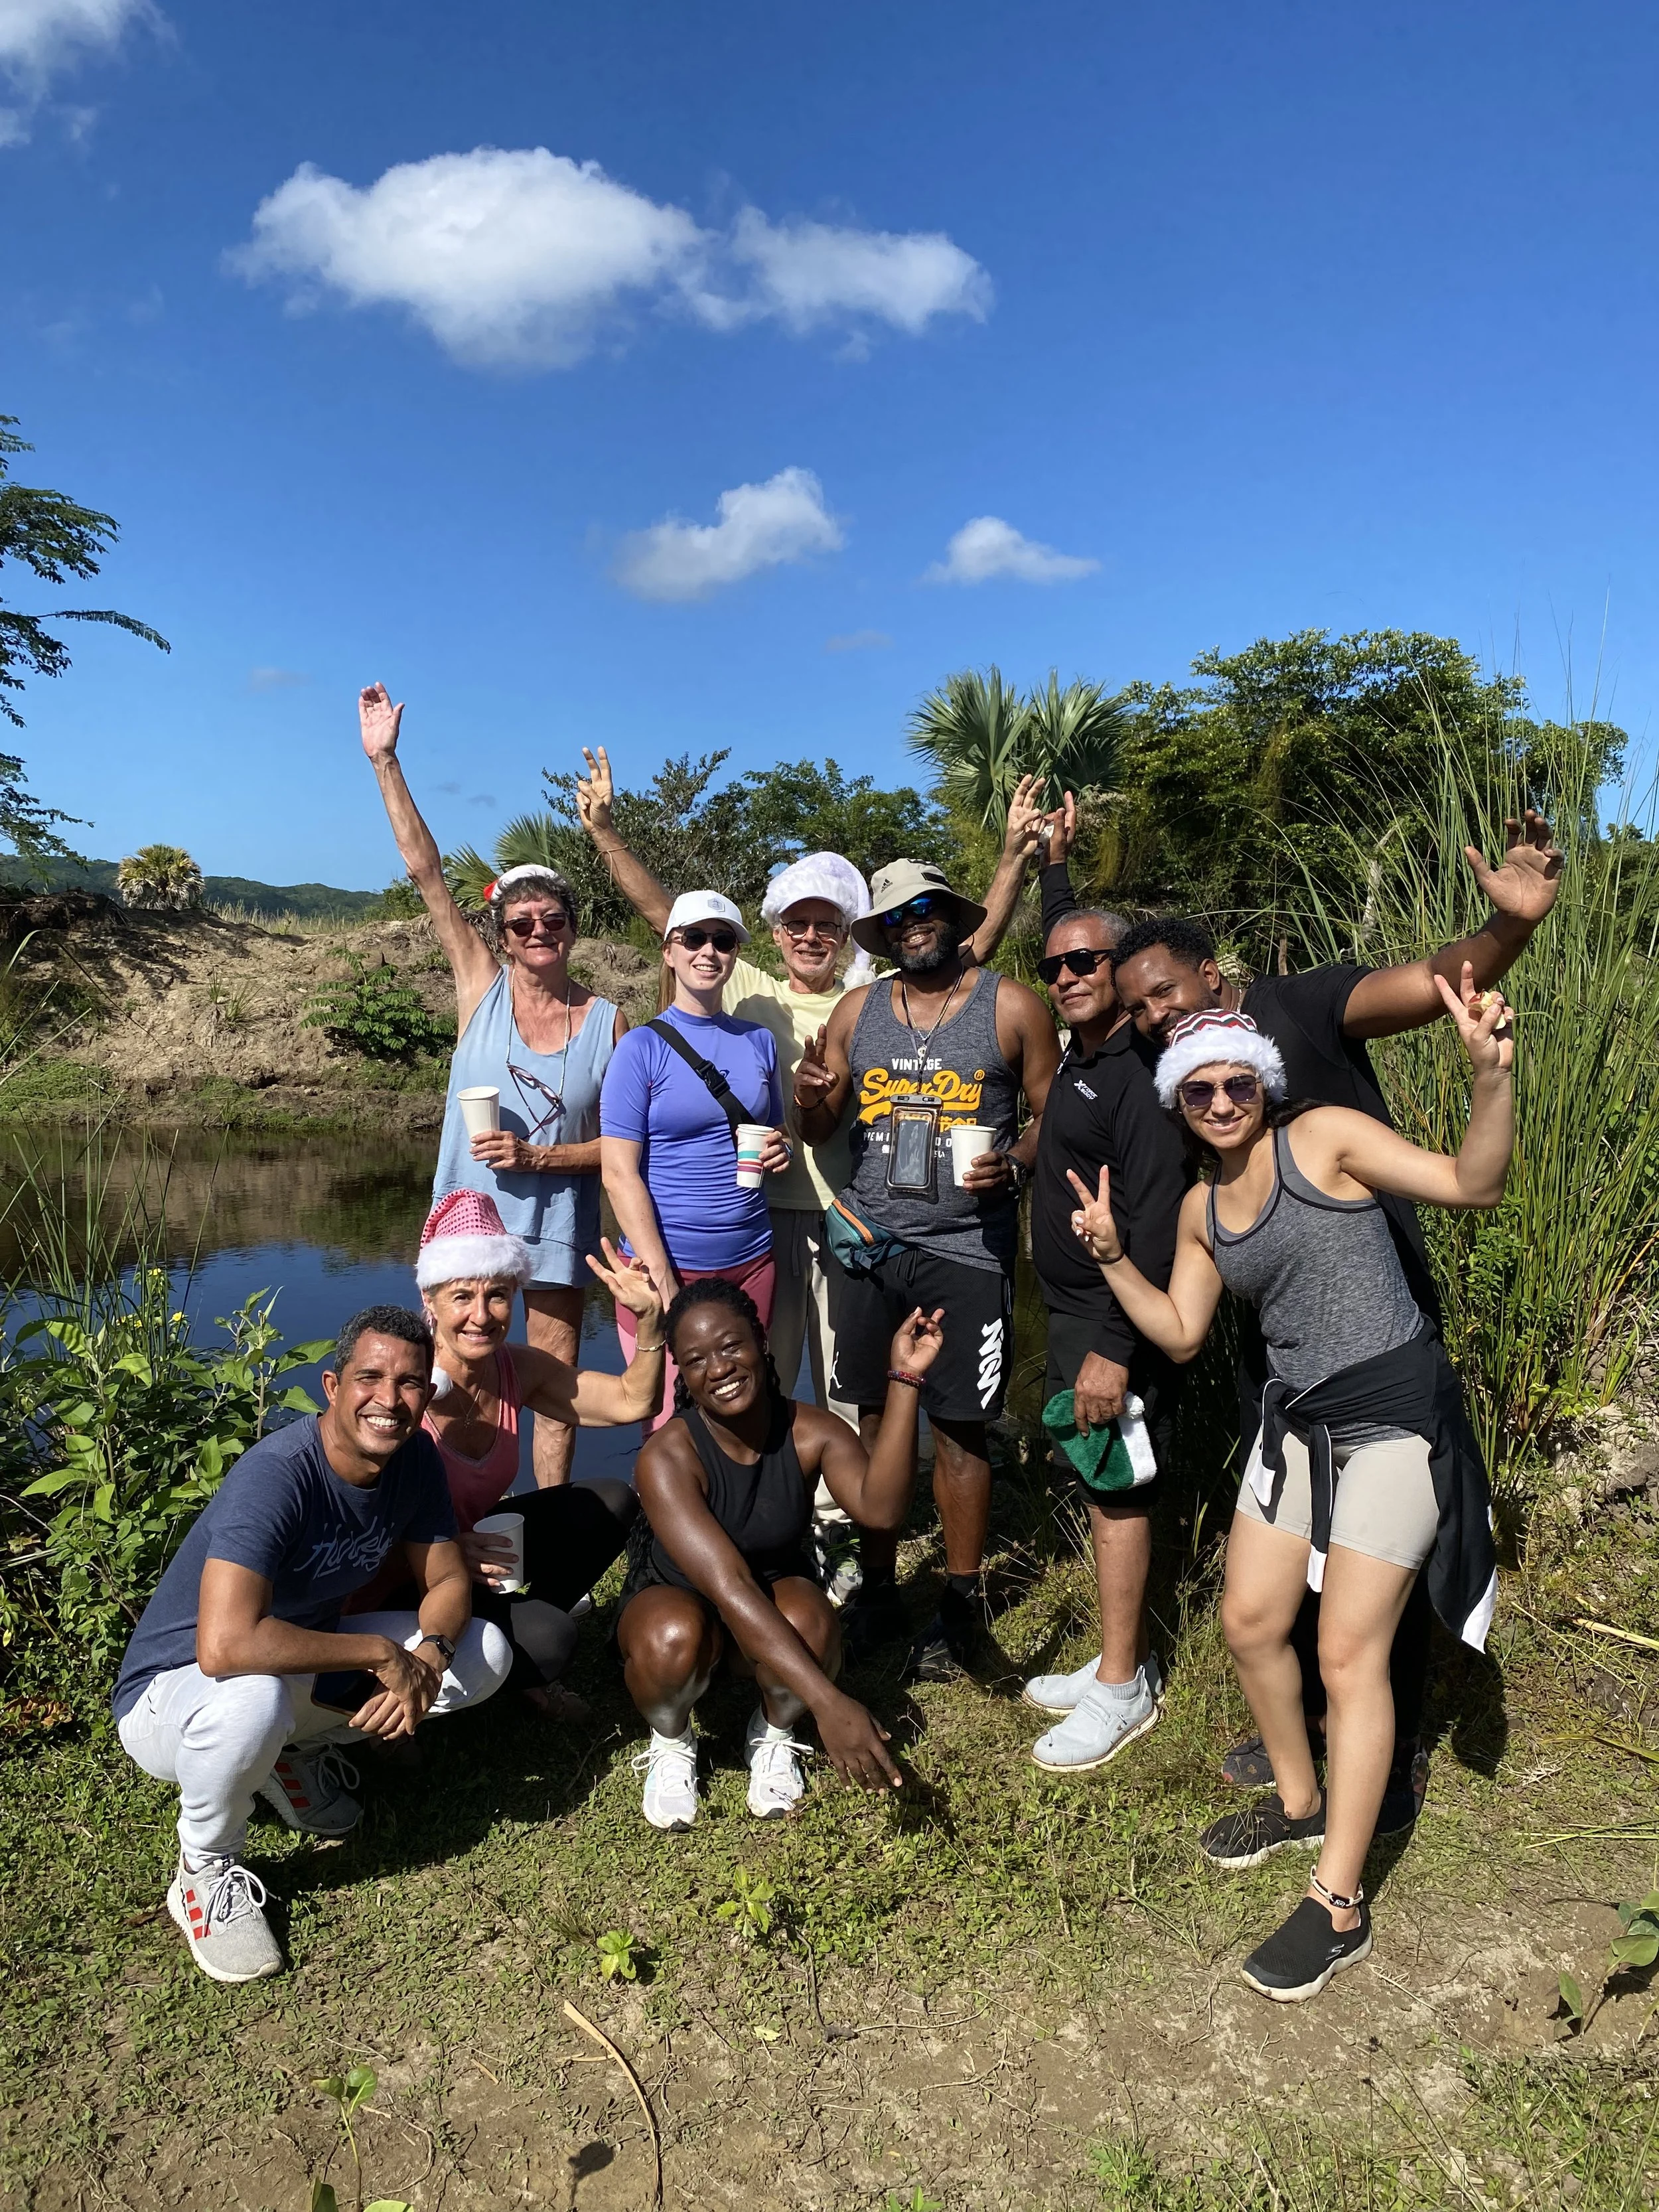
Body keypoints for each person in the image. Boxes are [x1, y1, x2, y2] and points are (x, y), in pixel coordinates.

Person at [1039, 798, 1561, 1822]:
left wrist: (1513, 927)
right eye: (1140, 1008)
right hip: (1267, 1318)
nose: (1154, 1019)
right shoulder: (1170, 1061)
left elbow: (1429, 982)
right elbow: (1089, 970)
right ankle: (1321, 1725)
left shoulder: (1303, 1007)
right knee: (1295, 1531)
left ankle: (1394, 1741)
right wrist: (1054, 869)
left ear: (1214, 977)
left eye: (1165, 995)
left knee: (1380, 1537)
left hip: (1379, 1294)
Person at [1068, 982, 1510, 2002]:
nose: (1223, 1102)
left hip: (1394, 1413)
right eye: (1200, 1092)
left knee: (1347, 1650)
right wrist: (1109, 1260)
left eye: (1237, 1084)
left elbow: (1471, 1183)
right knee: (1251, 1621)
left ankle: (1338, 1905)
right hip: (1297, 1422)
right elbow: (1180, 1332)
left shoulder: (1326, 1139)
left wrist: (1493, 1078)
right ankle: (1301, 1797)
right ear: (1182, 1104)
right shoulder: (1197, 1211)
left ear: (1262, 1085)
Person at [574, 747, 1050, 1438]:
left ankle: (841, 1513)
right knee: (765, 1361)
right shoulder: (749, 997)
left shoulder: (872, 1001)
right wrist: (606, 834)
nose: (810, 936)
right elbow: (668, 919)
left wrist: (1011, 860)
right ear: (773, 935)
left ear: (847, 936)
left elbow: (964, 952)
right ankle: (757, 1491)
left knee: (844, 1374)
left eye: (826, 925)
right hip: (764, 1218)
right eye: (796, 924)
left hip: (848, 1214)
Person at [113, 1305, 511, 1984]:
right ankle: (203, 1870)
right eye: (370, 1378)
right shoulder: (278, 1475)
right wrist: (385, 1658)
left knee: (485, 1656)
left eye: (411, 1383)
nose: (389, 1400)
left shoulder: (414, 1457)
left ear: (428, 1394)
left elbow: (444, 1578)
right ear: (332, 1387)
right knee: (252, 1701)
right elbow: (224, 1646)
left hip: (277, 1667)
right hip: (169, 1696)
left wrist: (431, 1654)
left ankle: (287, 1756)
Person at [794, 858, 1061, 1678]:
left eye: (926, 909)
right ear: (882, 933)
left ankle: (959, 1600)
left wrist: (1015, 1163)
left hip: (966, 1250)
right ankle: (878, 1588)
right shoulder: (856, 1010)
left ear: (950, 914)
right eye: (896, 917)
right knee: (872, 1415)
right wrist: (808, 1095)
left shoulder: (1010, 1005)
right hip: (871, 1245)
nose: (914, 923)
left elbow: (1051, 1110)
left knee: (961, 1424)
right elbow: (818, 1128)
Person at [360, 682, 627, 1488]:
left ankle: (545, 1541)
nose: (538, 932)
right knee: (446, 1387)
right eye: (522, 924)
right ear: (502, 936)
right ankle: (441, 1518)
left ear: (573, 930)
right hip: (465, 1228)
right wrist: (385, 761)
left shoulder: (609, 1022)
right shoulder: (479, 990)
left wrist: (540, 1158)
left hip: (554, 1235)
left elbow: (621, 1151)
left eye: (552, 920)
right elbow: (426, 872)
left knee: (552, 1394)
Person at [616, 1277, 942, 1828]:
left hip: (769, 1597)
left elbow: (881, 1510)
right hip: (681, 1602)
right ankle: (672, 1740)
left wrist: (906, 1380)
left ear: (761, 1343)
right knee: (671, 1639)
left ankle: (772, 1731)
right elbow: (728, 1585)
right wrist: (830, 1702)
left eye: (730, 1345)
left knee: (813, 1624)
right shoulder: (666, 1455)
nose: (719, 1367)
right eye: (696, 1360)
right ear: (685, 1379)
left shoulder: (811, 1429)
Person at [346, 1190, 663, 1716]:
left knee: (608, 1501)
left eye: (497, 1294)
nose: (481, 1315)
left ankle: (499, 1651)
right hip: (392, 1583)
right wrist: (443, 1551)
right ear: (430, 1301)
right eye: (461, 1296)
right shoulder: (401, 1389)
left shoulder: (517, 1367)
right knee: (552, 1640)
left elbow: (632, 1400)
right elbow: (351, 1522)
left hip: (470, 1558)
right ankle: (408, 1682)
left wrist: (649, 1320)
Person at [1019, 901, 1189, 1771]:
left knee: (1118, 1490)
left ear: (1118, 970)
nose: (1067, 976)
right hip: (1074, 1304)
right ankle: (1116, 1656)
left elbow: (1156, 1225)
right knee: (1095, 1480)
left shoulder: (1140, 1073)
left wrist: (1116, 1346)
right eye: (1052, 966)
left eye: (1087, 961)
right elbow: (1067, 920)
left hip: (1113, 1315)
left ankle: (1124, 1688)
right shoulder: (1085, 1059)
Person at [599, 891, 790, 1427]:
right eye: (695, 938)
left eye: (723, 940)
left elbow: (772, 1131)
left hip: (751, 1260)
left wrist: (781, 1149)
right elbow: (618, 1172)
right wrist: (662, 1278)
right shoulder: (641, 1047)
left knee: (747, 1413)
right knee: (668, 1422)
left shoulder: (759, 1042)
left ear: (734, 955)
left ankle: (748, 1513)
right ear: (669, 951)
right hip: (667, 1266)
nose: (709, 951)